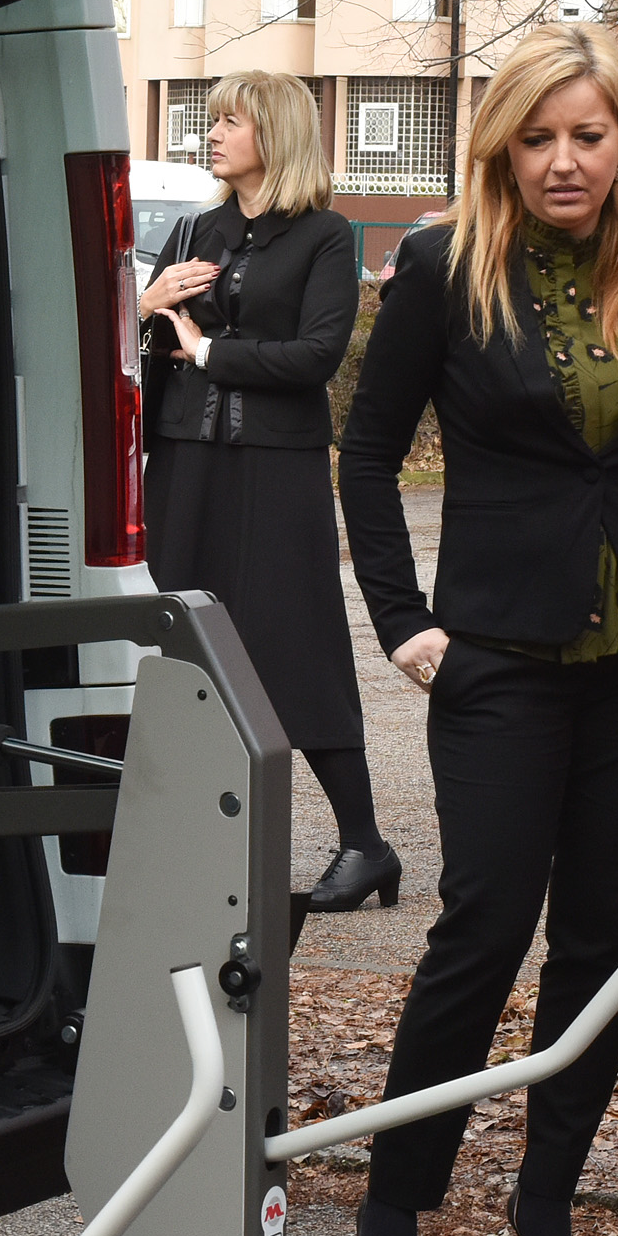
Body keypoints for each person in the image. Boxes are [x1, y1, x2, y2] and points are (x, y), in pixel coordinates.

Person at [338, 24, 618, 1236]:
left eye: (587, 136)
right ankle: (397, 1198)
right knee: (485, 923)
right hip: (498, 652)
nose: (564, 161)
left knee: (604, 939)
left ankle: (546, 1202)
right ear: (501, 147)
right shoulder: (443, 269)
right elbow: (367, 452)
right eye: (539, 138)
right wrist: (403, 621)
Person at [139, 71, 395, 910]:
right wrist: (145, 305)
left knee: (297, 643)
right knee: (182, 646)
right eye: (211, 120)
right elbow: (145, 349)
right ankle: (201, 844)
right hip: (187, 459)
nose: (212, 133)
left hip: (278, 468)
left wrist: (210, 353)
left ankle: (365, 843)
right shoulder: (195, 230)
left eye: (230, 121)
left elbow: (318, 356)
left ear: (274, 133)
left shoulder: (324, 235)